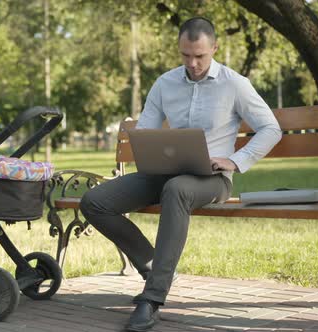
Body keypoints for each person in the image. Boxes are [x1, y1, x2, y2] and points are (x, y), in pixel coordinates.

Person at [79, 17, 282, 332]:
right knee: (94, 201)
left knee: (176, 189)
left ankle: (153, 297)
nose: (193, 63)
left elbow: (271, 128)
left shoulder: (235, 84)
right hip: (166, 172)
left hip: (212, 180)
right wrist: (151, 149)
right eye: (186, 55)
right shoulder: (165, 83)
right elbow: (145, 128)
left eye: (200, 55)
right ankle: (153, 266)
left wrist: (235, 160)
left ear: (214, 48)